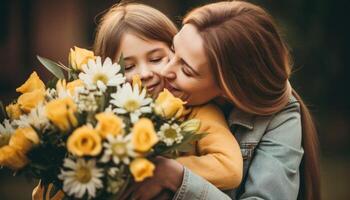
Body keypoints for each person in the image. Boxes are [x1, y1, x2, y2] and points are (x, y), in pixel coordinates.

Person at [132, 1, 321, 200]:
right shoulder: (151, 95)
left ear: (228, 90)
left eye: (186, 70)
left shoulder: (281, 120)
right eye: (173, 50)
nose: (164, 71)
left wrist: (178, 177)